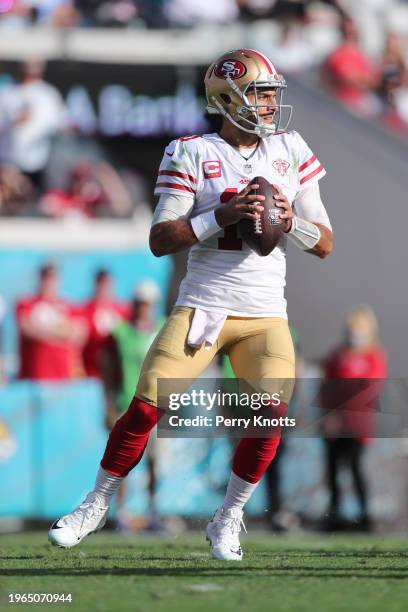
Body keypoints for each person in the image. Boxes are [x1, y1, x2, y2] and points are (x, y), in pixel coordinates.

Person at [48, 48, 333, 560]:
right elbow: (161, 239)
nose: (270, 104)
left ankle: (229, 516)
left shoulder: (291, 147)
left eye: (272, 95)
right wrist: (221, 215)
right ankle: (95, 503)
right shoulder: (191, 152)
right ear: (227, 99)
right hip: (204, 307)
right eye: (260, 94)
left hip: (266, 313)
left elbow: (325, 242)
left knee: (270, 415)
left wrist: (290, 223)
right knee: (142, 409)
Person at [102, 280, 163, 530]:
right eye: (139, 303)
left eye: (146, 304)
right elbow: (108, 371)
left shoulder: (162, 328)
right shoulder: (121, 333)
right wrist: (108, 404)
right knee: (122, 460)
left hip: (155, 405)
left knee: (154, 463)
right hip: (126, 402)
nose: (142, 308)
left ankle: (153, 512)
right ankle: (121, 513)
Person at [320, 305, 387, 531]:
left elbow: (368, 389)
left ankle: (365, 515)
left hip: (358, 425)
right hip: (334, 424)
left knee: (356, 467)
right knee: (332, 470)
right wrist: (329, 416)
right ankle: (334, 514)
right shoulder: (336, 356)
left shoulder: (374, 357)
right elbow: (327, 389)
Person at [0, 60, 66, 192]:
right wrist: (14, 122)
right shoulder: (7, 92)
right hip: (8, 160)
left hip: (38, 160)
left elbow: (60, 123)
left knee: (34, 198)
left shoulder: (48, 94)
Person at [16, 264, 85, 381]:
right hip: (36, 377)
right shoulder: (28, 304)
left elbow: (80, 334)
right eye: (45, 278)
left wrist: (45, 331)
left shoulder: (68, 307)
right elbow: (26, 329)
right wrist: (61, 332)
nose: (49, 282)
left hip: (63, 375)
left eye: (52, 278)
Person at [81, 269, 130, 379]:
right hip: (92, 373)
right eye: (101, 284)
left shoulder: (123, 311)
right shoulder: (86, 310)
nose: (104, 288)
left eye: (107, 284)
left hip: (117, 374)